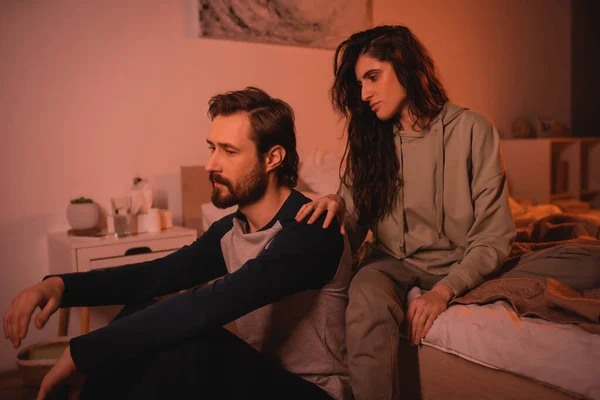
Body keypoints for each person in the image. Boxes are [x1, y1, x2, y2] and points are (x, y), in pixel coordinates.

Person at [295, 25, 600, 400]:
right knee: (366, 297)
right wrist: (334, 208)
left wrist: (444, 291)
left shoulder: (473, 128)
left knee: (589, 257)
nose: (365, 93)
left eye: (373, 77)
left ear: (405, 67)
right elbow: (353, 222)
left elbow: (493, 235)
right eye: (360, 84)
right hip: (391, 264)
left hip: (462, 261)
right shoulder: (369, 142)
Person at [4, 87, 353, 400]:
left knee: (191, 345)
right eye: (211, 148)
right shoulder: (232, 231)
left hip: (314, 391)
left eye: (229, 151)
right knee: (141, 308)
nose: (210, 164)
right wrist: (60, 286)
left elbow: (214, 303)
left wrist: (86, 351)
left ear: (272, 158)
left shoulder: (311, 227)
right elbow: (154, 275)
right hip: (258, 376)